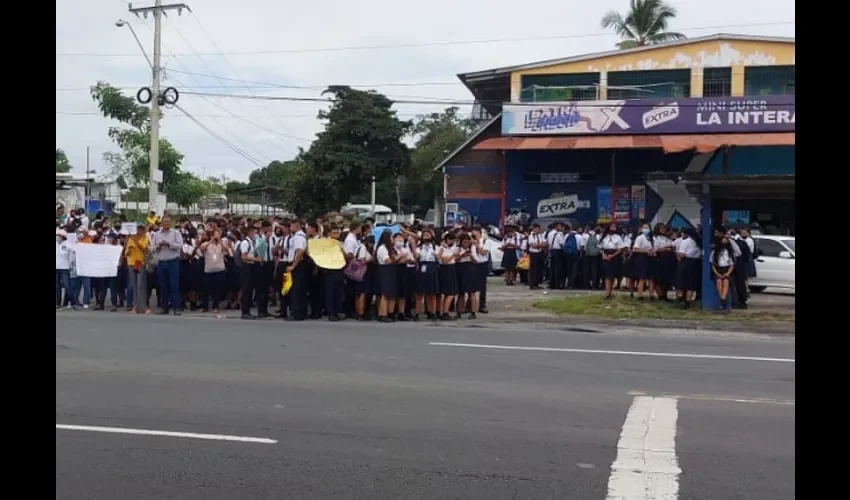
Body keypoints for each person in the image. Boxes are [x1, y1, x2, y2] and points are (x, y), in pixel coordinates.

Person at [152, 216, 183, 315]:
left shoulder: (175, 233)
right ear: (161, 223)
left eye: (168, 222)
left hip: (173, 262)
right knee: (163, 286)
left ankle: (176, 307)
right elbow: (152, 248)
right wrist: (159, 246)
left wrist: (169, 244)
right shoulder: (157, 234)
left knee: (174, 285)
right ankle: (164, 307)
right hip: (161, 262)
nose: (166, 224)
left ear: (171, 223)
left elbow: (180, 245)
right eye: (164, 222)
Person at [199, 229, 230, 313]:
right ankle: (205, 306)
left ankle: (215, 306)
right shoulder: (206, 244)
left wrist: (220, 241)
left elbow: (227, 250)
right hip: (208, 270)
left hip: (219, 269)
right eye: (215, 235)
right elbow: (202, 248)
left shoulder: (221, 244)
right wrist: (211, 241)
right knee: (206, 289)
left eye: (218, 235)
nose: (216, 236)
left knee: (217, 289)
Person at [286, 220, 309, 321]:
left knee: (296, 290)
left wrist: (293, 266)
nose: (290, 228)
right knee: (300, 289)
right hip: (300, 264)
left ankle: (296, 313)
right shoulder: (301, 236)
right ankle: (301, 312)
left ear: (296, 226)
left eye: (291, 226)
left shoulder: (298, 237)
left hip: (298, 265)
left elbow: (299, 252)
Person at [413, 229, 439, 320]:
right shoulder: (419, 247)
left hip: (432, 268)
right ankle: (416, 313)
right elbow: (416, 257)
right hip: (422, 267)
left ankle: (433, 312)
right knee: (420, 292)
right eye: (425, 235)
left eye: (428, 234)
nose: (426, 236)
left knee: (432, 293)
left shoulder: (436, 247)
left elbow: (439, 258)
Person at [125, 225, 151, 314]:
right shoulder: (130, 238)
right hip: (131, 262)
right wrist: (128, 250)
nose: (139, 230)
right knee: (134, 285)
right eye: (137, 229)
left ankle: (144, 307)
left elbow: (143, 248)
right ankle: (136, 307)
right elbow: (126, 253)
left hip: (140, 262)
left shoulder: (145, 238)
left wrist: (135, 240)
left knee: (141, 285)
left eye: (141, 229)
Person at [237, 226, 261, 319]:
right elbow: (244, 257)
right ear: (249, 232)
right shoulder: (245, 243)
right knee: (246, 289)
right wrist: (255, 259)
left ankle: (248, 310)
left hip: (252, 266)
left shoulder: (252, 242)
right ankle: (245, 311)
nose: (255, 234)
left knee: (250, 289)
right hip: (246, 266)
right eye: (253, 232)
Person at [375, 230, 399, 322]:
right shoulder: (382, 248)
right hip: (385, 270)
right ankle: (383, 314)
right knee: (385, 294)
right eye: (392, 237)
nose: (393, 239)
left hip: (390, 270)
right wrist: (397, 258)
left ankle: (386, 313)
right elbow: (387, 260)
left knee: (390, 293)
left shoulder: (389, 248)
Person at [676, 228, 703, 309]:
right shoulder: (699, 242)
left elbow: (681, 254)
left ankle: (681, 299)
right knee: (691, 283)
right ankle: (688, 301)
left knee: (681, 281)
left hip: (685, 262)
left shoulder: (686, 241)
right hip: (695, 262)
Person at [455, 233, 481, 319]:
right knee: (461, 293)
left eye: (467, 241)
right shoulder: (457, 248)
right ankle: (459, 311)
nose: (466, 243)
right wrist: (462, 255)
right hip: (460, 269)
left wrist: (470, 255)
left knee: (472, 292)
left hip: (470, 269)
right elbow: (455, 260)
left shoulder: (472, 248)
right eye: (464, 241)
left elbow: (476, 261)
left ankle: (473, 312)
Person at [437, 232, 459, 320]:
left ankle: (445, 311)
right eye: (451, 240)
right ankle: (445, 312)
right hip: (445, 270)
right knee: (450, 293)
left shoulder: (452, 248)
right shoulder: (442, 248)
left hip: (452, 268)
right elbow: (444, 261)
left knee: (450, 293)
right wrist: (453, 256)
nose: (452, 242)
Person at [599, 223, 625, 300]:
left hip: (615, 256)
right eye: (612, 226)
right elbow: (600, 247)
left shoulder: (618, 237)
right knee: (607, 276)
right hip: (605, 255)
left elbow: (620, 249)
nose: (614, 228)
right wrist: (603, 254)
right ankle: (607, 294)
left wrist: (613, 255)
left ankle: (610, 292)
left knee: (612, 276)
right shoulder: (603, 236)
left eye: (615, 227)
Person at [711, 234, 735, 311]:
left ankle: (723, 299)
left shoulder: (730, 252)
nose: (724, 241)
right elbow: (713, 265)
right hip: (718, 270)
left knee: (726, 281)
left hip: (727, 270)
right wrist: (717, 274)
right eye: (723, 239)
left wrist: (728, 273)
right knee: (718, 281)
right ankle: (722, 300)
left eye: (726, 239)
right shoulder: (714, 253)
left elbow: (732, 265)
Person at [631, 223, 654, 300]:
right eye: (644, 228)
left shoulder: (651, 238)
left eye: (647, 228)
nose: (646, 229)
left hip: (650, 258)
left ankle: (651, 295)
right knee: (642, 277)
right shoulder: (640, 238)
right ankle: (640, 295)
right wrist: (645, 251)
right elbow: (635, 249)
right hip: (642, 258)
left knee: (651, 278)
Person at [56, 229, 73, 309]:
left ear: (62, 236)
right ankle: (58, 303)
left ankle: (70, 302)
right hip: (56, 268)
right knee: (57, 286)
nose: (57, 237)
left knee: (67, 286)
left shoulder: (68, 244)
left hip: (65, 268)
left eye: (58, 235)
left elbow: (73, 253)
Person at [527, 224, 546, 290]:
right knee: (533, 270)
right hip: (533, 254)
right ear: (534, 229)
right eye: (536, 228)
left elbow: (544, 244)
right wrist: (540, 245)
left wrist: (539, 245)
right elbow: (533, 245)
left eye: (538, 229)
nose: (538, 230)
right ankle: (532, 284)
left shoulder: (541, 235)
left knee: (539, 269)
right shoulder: (531, 236)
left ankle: (537, 283)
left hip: (540, 253)